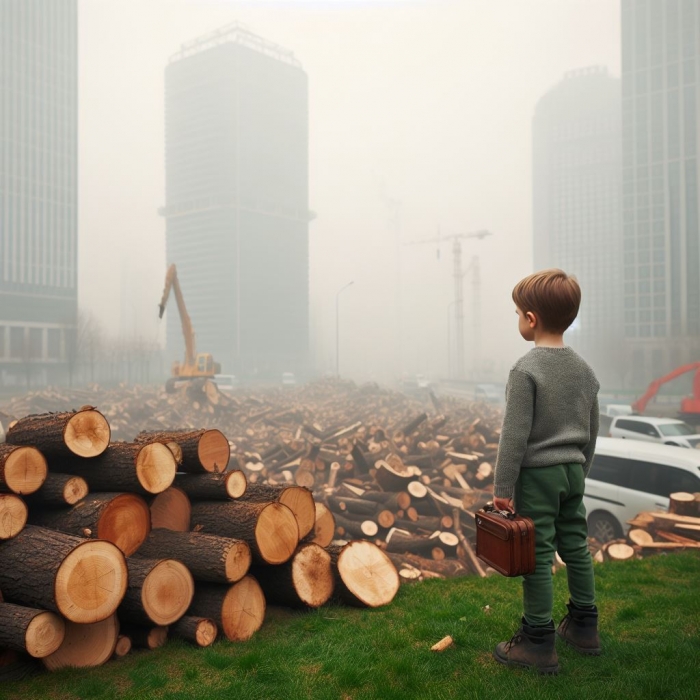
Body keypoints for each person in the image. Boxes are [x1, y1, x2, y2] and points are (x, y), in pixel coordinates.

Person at [491, 269, 600, 675]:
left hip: (538, 474)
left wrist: (504, 486)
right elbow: (593, 429)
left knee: (537, 557)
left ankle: (538, 642)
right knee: (576, 547)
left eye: (518, 312)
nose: (518, 318)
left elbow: (514, 435)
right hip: (573, 470)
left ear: (531, 318)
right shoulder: (585, 370)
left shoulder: (526, 370)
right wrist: (580, 470)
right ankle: (585, 627)